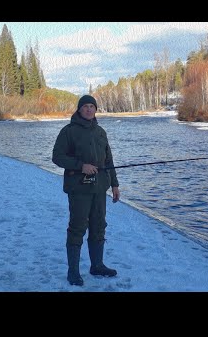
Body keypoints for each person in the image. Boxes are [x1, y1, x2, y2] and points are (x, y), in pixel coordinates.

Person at [52, 95, 121, 286]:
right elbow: (57, 157)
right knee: (77, 228)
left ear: (96, 109)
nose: (89, 110)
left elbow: (109, 161)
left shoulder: (101, 132)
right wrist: (80, 165)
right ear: (79, 110)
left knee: (99, 226)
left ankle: (97, 265)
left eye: (92, 106)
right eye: (85, 106)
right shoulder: (68, 132)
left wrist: (114, 184)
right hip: (79, 189)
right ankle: (73, 272)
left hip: (100, 189)